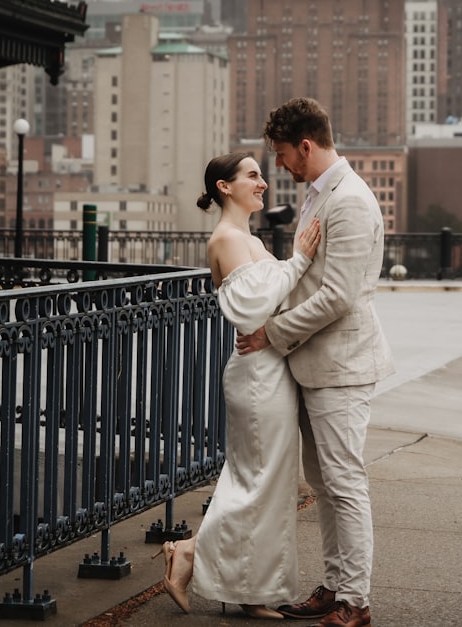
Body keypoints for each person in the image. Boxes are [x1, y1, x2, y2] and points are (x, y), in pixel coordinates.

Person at [237, 97, 394, 627]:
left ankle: (355, 602)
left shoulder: (348, 200)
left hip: (342, 366)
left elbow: (338, 296)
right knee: (324, 482)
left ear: (306, 145)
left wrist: (270, 333)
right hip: (317, 364)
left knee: (344, 482)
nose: (278, 165)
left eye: (282, 155)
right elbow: (308, 276)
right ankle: (335, 586)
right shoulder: (320, 195)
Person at [156, 152, 322, 620]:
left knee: (266, 484)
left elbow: (280, 295)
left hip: (269, 369)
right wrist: (301, 257)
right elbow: (252, 311)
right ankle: (189, 552)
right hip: (256, 376)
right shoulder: (227, 238)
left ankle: (251, 589)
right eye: (252, 175)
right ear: (224, 187)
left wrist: (297, 264)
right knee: (256, 482)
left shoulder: (246, 238)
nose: (263, 182)